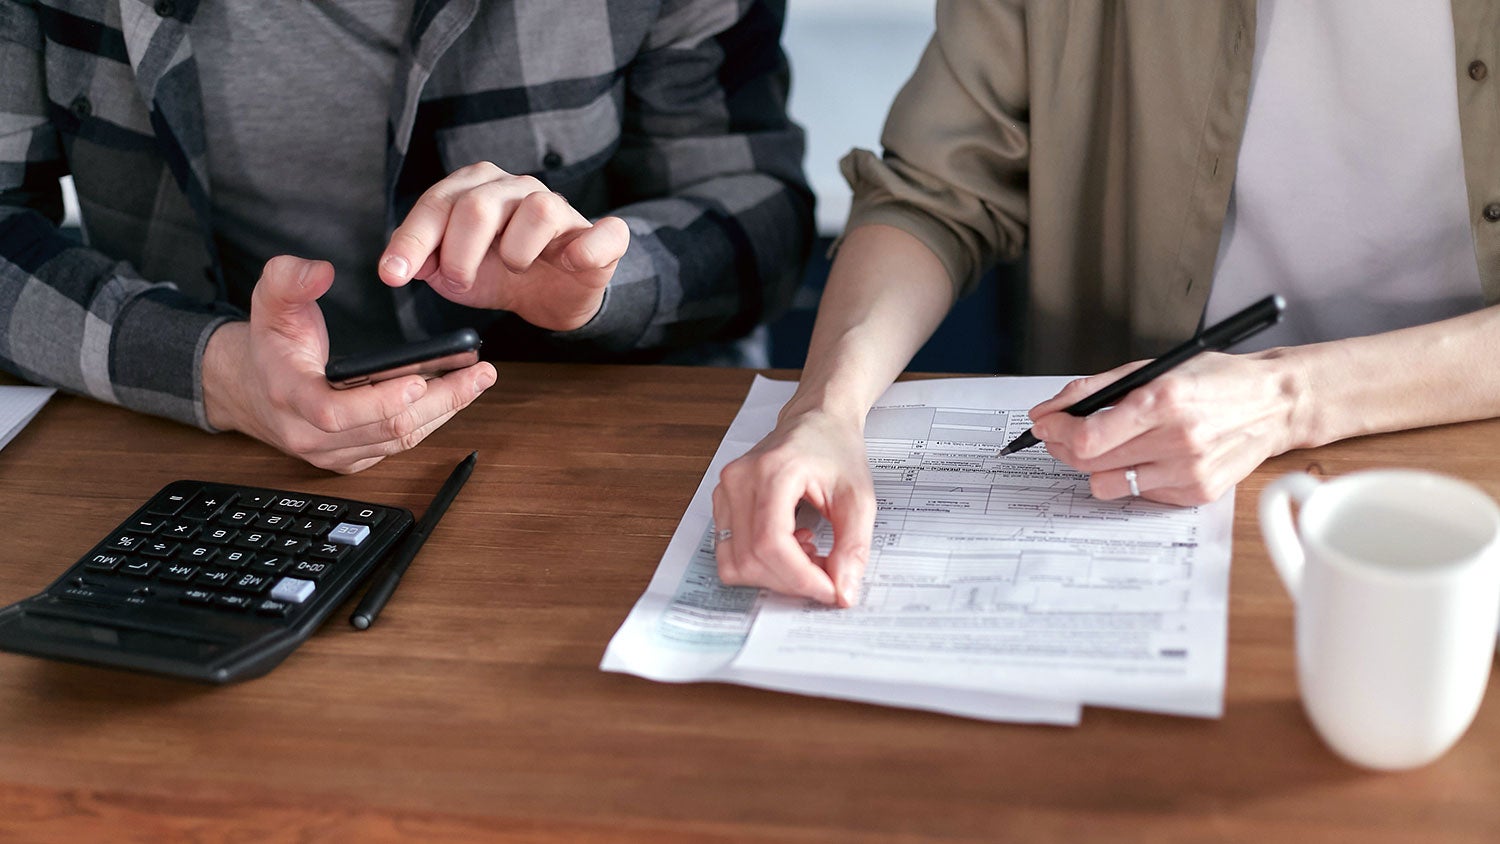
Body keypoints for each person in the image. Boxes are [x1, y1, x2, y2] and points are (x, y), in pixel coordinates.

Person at [711, 0, 1500, 606]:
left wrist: (1289, 397)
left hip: (1461, 446)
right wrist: (825, 410)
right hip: (1143, 474)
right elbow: (937, 189)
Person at [0, 0, 812, 473]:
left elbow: (764, 221)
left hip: (591, 439)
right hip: (195, 448)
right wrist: (212, 369)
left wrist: (602, 282)